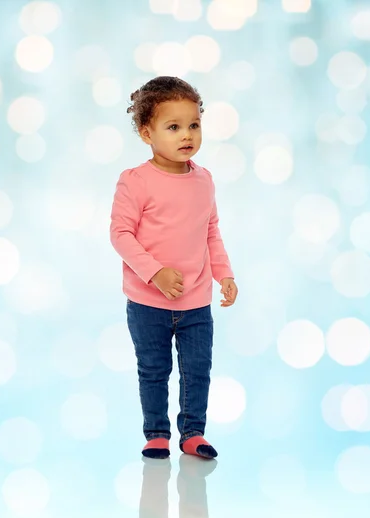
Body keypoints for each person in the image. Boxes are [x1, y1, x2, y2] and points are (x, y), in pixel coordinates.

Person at [110, 76, 238, 460]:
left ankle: (193, 432)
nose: (187, 135)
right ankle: (156, 433)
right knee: (154, 369)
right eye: (174, 127)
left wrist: (224, 273)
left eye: (194, 125)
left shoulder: (204, 181)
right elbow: (120, 234)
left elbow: (210, 231)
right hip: (148, 302)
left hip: (196, 301)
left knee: (197, 370)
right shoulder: (135, 182)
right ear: (146, 132)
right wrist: (155, 272)